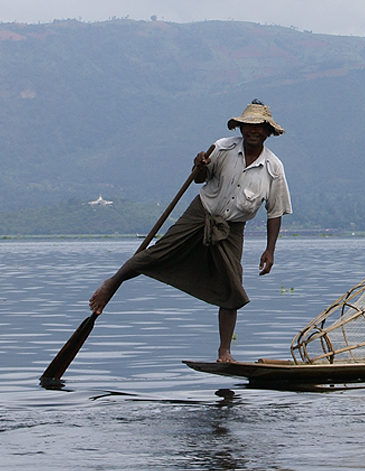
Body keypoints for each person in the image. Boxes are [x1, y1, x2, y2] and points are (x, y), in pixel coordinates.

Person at [89, 99, 292, 363]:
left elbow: (274, 213)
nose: (253, 131)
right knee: (157, 254)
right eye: (248, 126)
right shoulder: (222, 148)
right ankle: (111, 284)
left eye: (259, 127)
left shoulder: (274, 168)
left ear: (268, 131)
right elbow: (199, 179)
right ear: (240, 128)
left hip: (232, 228)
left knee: (232, 287)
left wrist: (269, 250)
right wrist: (199, 165)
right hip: (201, 213)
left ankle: (224, 352)